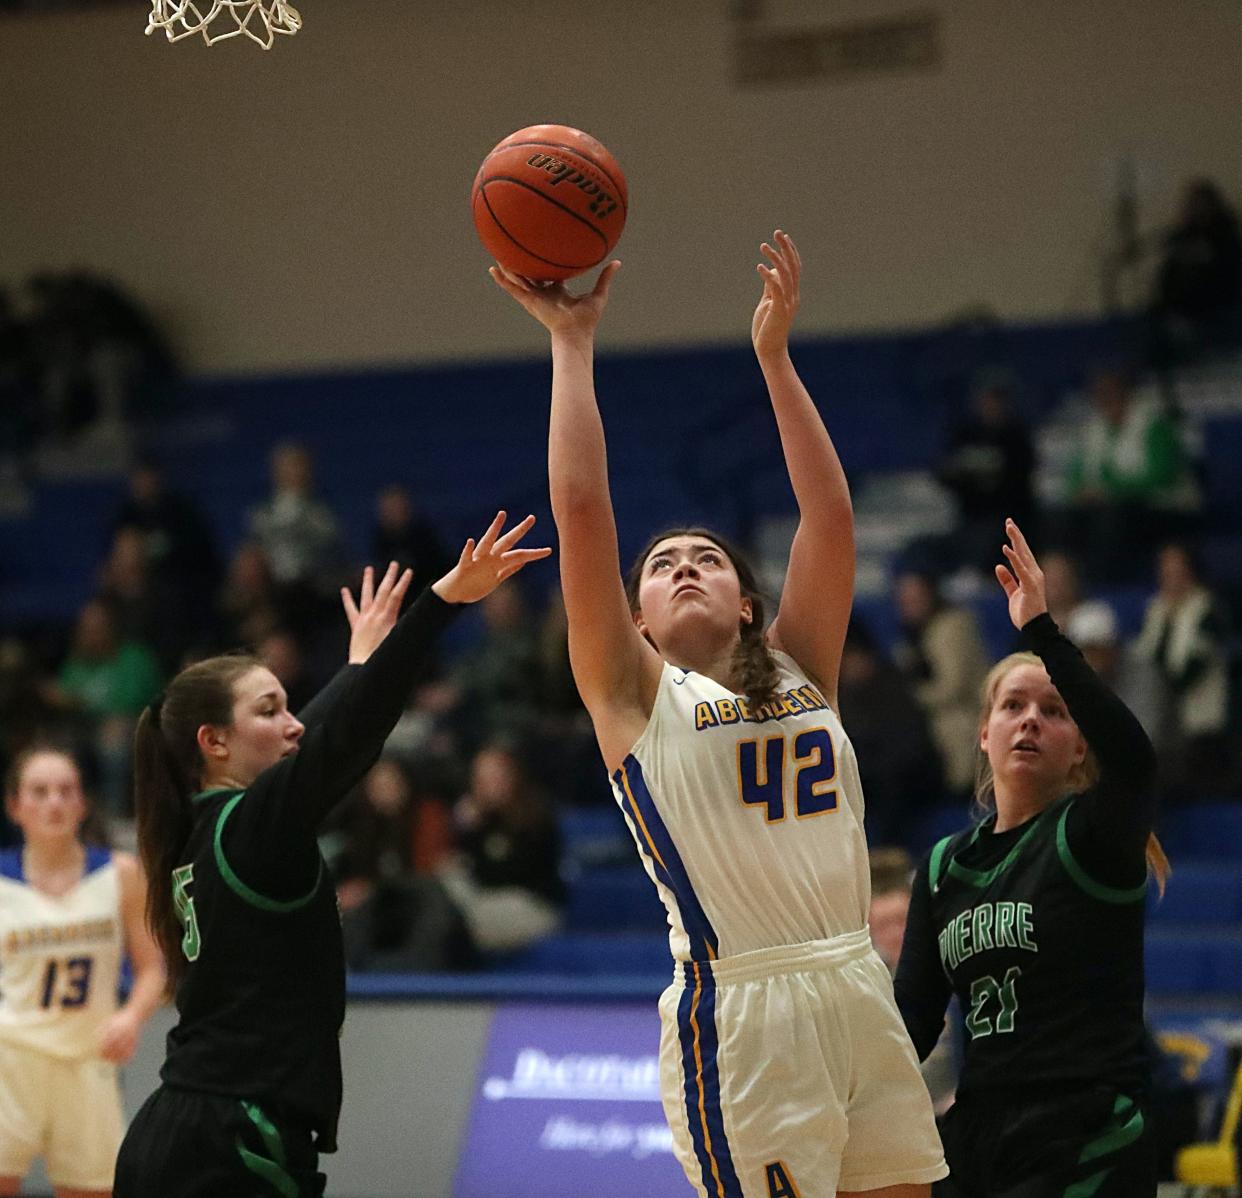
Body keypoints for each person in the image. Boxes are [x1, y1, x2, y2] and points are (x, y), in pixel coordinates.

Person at [491, 230, 946, 1198]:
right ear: (640, 619)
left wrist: (774, 359)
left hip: (858, 980)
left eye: (707, 557)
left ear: (747, 599)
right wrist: (572, 345)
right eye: (661, 565)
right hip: (744, 1009)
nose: (685, 564)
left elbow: (829, 516)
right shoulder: (631, 691)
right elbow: (580, 509)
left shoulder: (799, 663)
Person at [113, 512, 549, 1196]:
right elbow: (339, 740)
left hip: (182, 1130)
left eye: (291, 706)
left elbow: (316, 737)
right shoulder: (251, 828)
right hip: (234, 1142)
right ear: (214, 743)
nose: (292, 723)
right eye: (269, 711)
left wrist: (358, 666)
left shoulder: (201, 829)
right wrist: (440, 607)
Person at [894, 519, 1168, 1198]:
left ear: (1081, 746)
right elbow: (912, 1022)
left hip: (1083, 1129)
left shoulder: (1093, 837)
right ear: (983, 733)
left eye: (1053, 711)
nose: (1030, 721)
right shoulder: (943, 867)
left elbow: (1134, 762)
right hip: (981, 1126)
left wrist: (1043, 632)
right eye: (1013, 707)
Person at [0, 747, 164, 1198]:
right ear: (15, 807)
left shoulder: (120, 873)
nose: (54, 801)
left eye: (65, 791)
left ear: (81, 804)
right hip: (10, 1059)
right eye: (39, 792)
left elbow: (153, 969)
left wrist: (130, 1018)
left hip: (89, 1058)